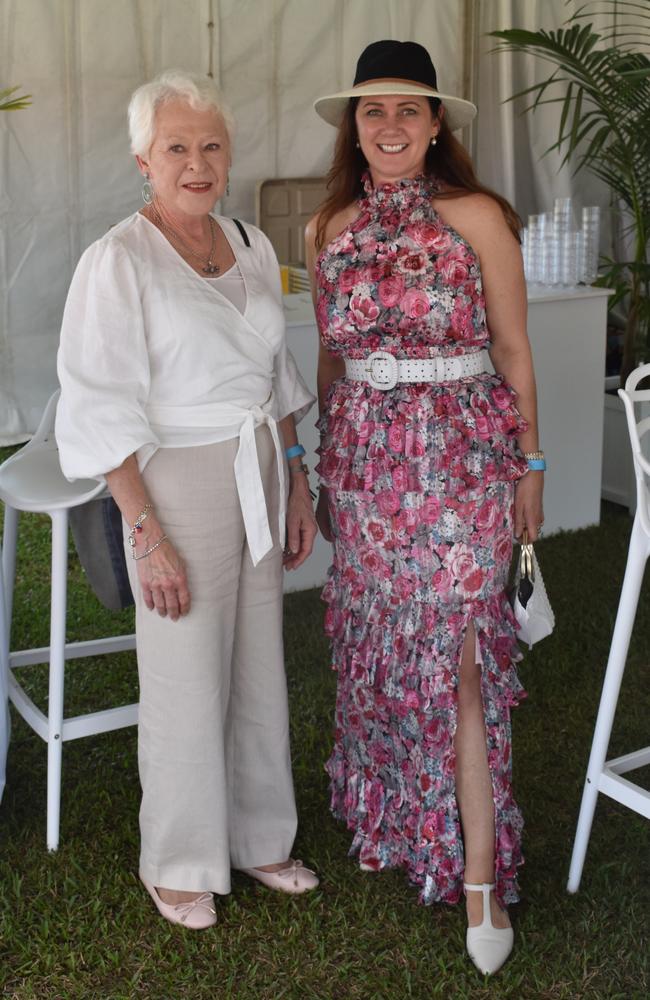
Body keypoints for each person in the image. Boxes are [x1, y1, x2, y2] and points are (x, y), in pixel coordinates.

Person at [56, 69, 319, 929]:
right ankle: (177, 857)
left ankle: (259, 834)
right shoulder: (118, 260)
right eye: (177, 148)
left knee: (256, 663)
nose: (196, 162)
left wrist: (297, 473)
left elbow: (274, 374)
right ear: (144, 159)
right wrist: (144, 530)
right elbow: (99, 404)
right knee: (182, 672)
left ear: (229, 155)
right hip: (172, 480)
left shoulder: (248, 242)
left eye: (210, 146)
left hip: (260, 465)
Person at [305, 40, 544, 974]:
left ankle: (480, 876)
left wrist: (532, 466)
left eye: (410, 109)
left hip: (460, 466)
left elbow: (516, 352)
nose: (392, 126)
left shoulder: (478, 216)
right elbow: (330, 358)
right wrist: (324, 465)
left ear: (437, 122)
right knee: (379, 651)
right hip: (365, 468)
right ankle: (404, 827)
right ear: (354, 127)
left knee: (460, 666)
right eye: (374, 111)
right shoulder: (331, 224)